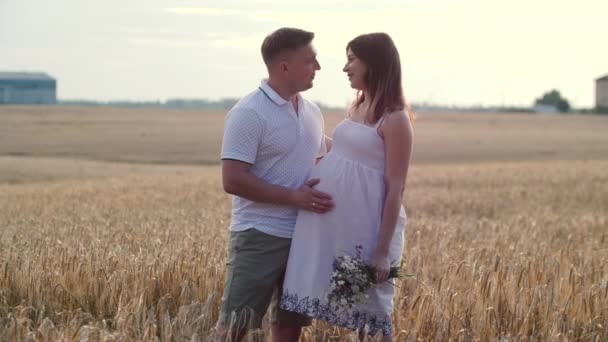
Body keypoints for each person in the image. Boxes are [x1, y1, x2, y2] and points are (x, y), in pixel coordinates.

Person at [280, 32, 414, 341]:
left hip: (367, 234)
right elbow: (341, 154)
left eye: (352, 59)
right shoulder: (358, 105)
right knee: (313, 301)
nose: (345, 68)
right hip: (331, 228)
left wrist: (381, 253)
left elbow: (396, 188)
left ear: (375, 63)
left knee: (372, 314)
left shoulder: (395, 119)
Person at [215, 27, 335, 342]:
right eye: (311, 60)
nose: (318, 68)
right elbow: (233, 179)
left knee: (289, 327)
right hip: (259, 235)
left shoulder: (311, 112)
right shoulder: (248, 113)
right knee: (234, 327)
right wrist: (294, 198)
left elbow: (322, 157)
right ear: (285, 66)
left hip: (305, 236)